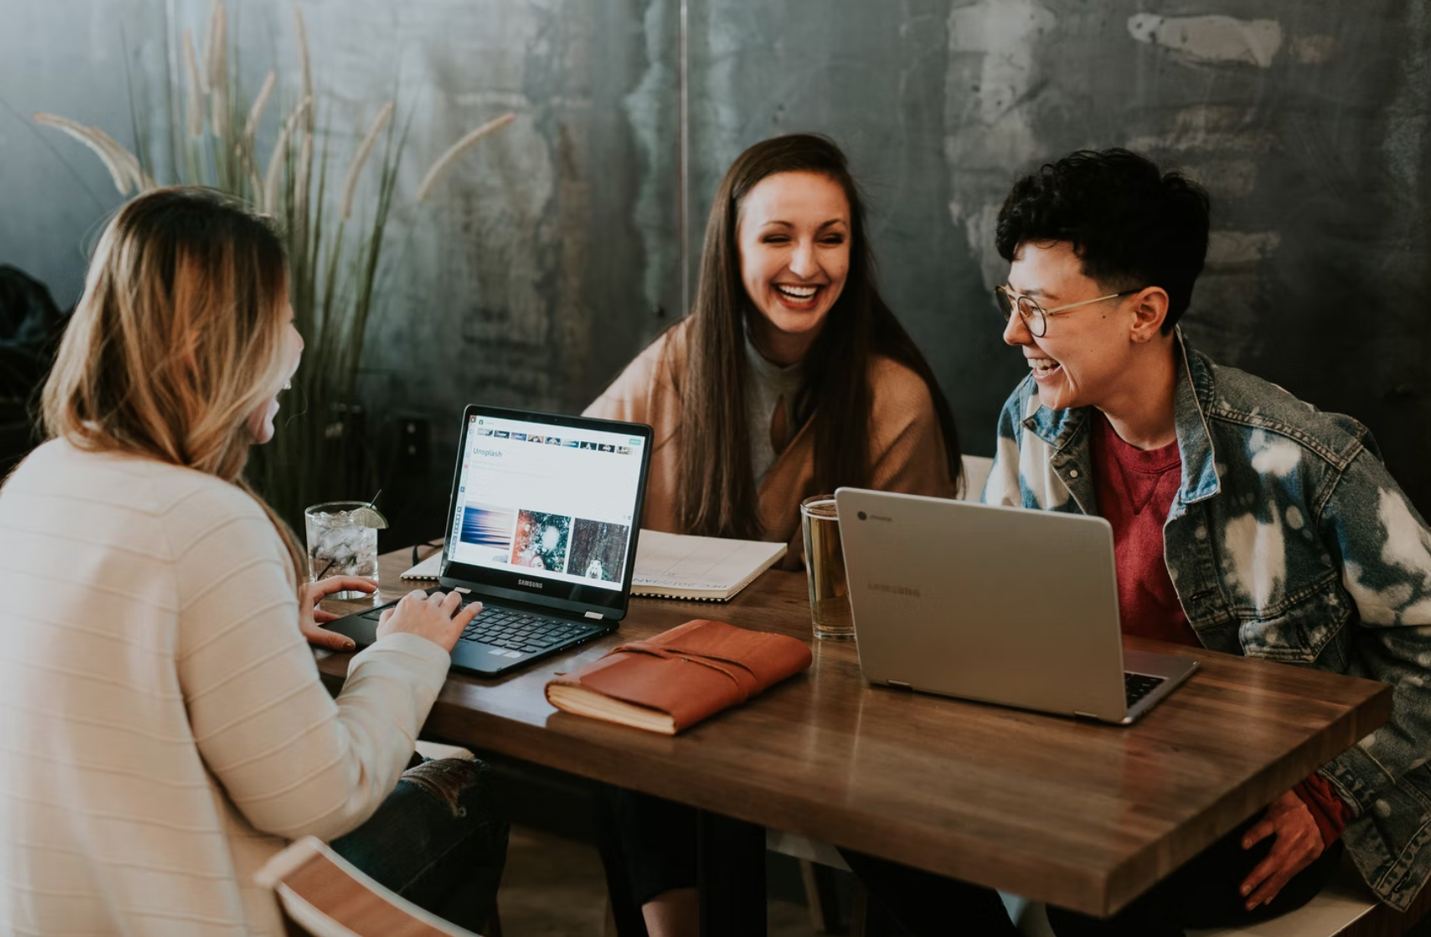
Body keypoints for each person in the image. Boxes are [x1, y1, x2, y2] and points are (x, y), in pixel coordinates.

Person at [0, 187, 507, 936]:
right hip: (191, 912)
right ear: (222, 342)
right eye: (283, 316)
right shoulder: (208, 521)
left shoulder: (37, 479)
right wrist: (404, 651)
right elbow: (320, 796)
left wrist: (262, 621)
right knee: (468, 785)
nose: (297, 340)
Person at [975, 148, 1431, 934]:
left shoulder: (1298, 458)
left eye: (1041, 308)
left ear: (1143, 314)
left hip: (1254, 799)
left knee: (1105, 873)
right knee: (888, 831)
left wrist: (1332, 792)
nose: (1015, 332)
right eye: (1010, 301)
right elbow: (999, 606)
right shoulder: (1031, 418)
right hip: (1095, 768)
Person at [585, 133, 963, 935]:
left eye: (830, 238)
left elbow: (906, 611)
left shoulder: (892, 400)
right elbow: (582, 481)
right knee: (618, 728)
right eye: (776, 237)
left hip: (833, 709)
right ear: (731, 248)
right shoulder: (683, 358)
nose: (806, 264)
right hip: (686, 681)